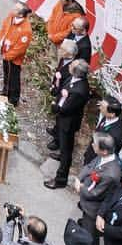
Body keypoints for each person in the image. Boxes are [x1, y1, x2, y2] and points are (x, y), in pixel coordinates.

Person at [45, 59, 90, 190]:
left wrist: (55, 108)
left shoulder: (80, 90)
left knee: (66, 150)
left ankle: (61, 179)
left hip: (68, 122)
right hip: (62, 119)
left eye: (71, 65)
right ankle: (60, 156)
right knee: (63, 145)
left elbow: (67, 108)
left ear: (76, 71)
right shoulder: (73, 79)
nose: (69, 66)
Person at [0, 5, 32, 106]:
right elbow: (3, 29)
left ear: (20, 14)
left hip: (14, 59)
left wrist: (7, 56)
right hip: (5, 52)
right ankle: (5, 92)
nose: (12, 9)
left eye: (15, 9)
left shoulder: (26, 30)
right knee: (6, 74)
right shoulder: (11, 17)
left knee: (13, 78)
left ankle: (13, 99)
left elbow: (20, 49)